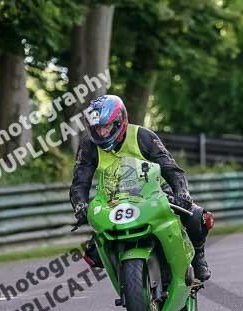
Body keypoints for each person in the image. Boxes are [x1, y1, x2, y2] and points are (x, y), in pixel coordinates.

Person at [69, 94, 211, 281]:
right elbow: (80, 182)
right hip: (112, 200)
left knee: (197, 217)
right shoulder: (88, 146)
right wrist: (80, 205)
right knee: (93, 255)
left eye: (106, 126)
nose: (102, 133)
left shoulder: (143, 136)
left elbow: (170, 167)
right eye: (97, 128)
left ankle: (198, 257)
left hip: (154, 193)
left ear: (120, 121)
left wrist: (181, 192)